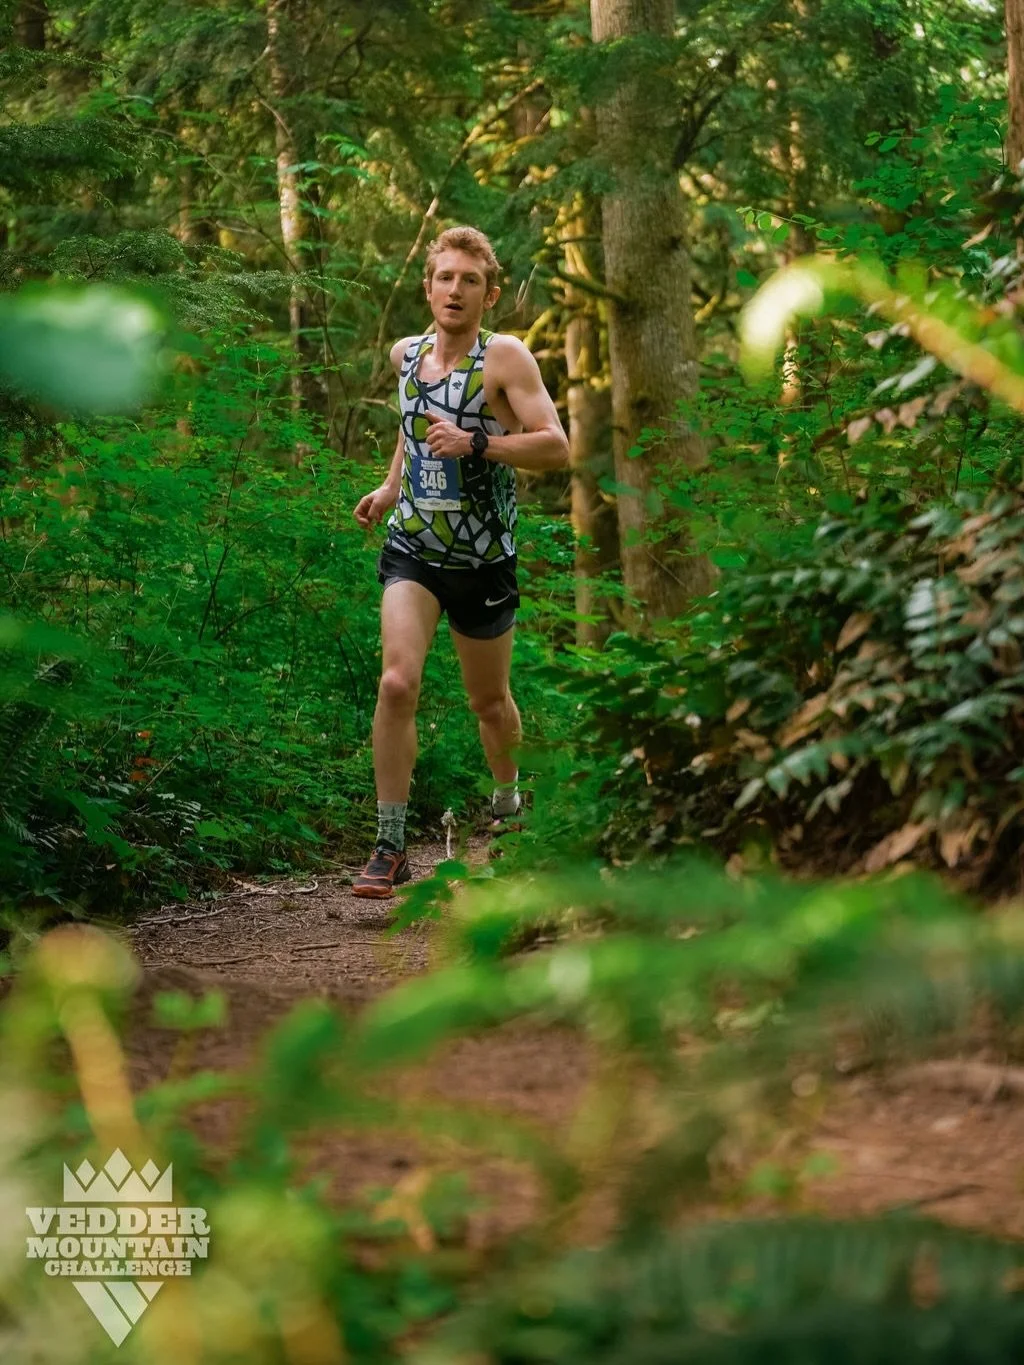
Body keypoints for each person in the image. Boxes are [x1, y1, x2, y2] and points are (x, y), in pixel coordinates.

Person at [350, 225, 569, 898]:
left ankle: (508, 809)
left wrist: (478, 444)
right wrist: (392, 486)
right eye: (445, 277)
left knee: (488, 700)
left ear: (488, 293)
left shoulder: (503, 359)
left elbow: (555, 447)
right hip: (414, 546)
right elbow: (413, 425)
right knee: (396, 683)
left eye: (469, 280)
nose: (455, 289)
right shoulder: (405, 356)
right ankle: (389, 841)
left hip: (482, 559)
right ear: (428, 286)